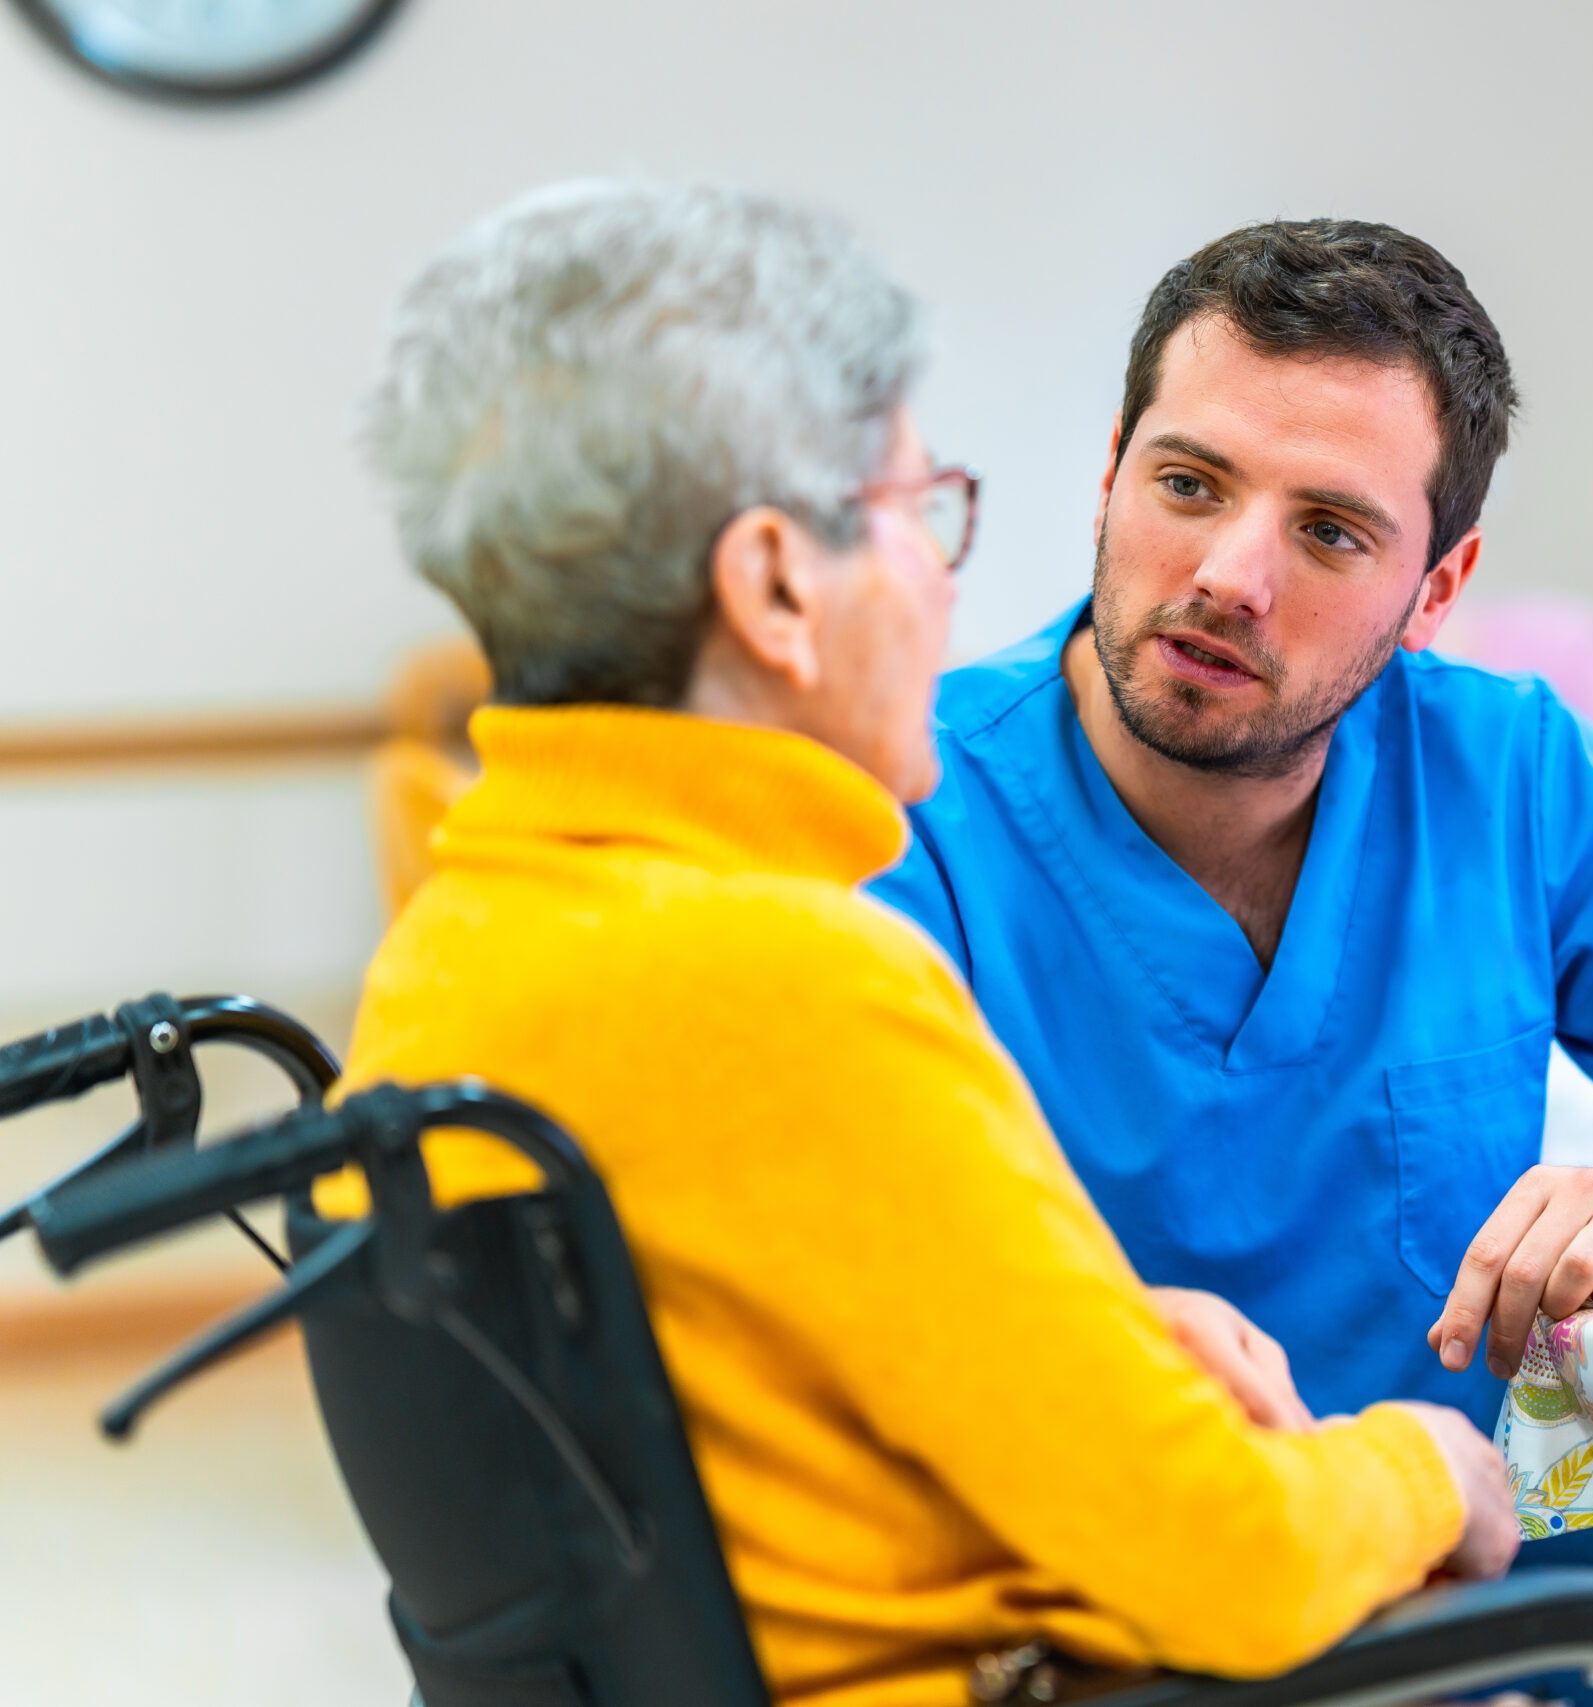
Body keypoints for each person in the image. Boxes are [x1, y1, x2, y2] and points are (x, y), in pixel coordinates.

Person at [330, 181, 1517, 1707]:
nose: (947, 581)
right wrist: (1430, 1459)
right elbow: (1233, 1563)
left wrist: (1086, 1327)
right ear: (773, 584)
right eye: (917, 512)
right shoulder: (797, 975)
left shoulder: (467, 932)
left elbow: (740, 1385)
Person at [868, 218, 1593, 1422]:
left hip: (1478, 1569)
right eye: (1187, 485)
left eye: (1329, 530)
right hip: (1090, 1566)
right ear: (1109, 479)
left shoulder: (1509, 773)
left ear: (1436, 591)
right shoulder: (906, 799)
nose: (1230, 576)